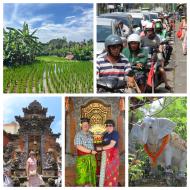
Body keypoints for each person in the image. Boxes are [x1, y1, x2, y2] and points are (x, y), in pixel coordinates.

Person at [141, 22, 172, 91]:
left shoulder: (156, 37)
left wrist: (159, 49)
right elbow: (139, 47)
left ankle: (166, 84)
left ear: (153, 30)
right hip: (145, 57)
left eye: (150, 30)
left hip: (155, 56)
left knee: (162, 69)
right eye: (148, 30)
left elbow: (160, 45)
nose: (149, 32)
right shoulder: (143, 39)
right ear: (146, 31)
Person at [96, 119, 120, 187]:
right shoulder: (105, 134)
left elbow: (111, 145)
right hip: (104, 155)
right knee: (103, 171)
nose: (108, 126)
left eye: (110, 125)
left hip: (113, 155)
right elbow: (103, 144)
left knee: (111, 172)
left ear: (113, 126)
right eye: (107, 125)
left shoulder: (115, 133)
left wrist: (100, 148)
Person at [74, 118, 97, 186]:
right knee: (82, 177)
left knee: (92, 176)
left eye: (87, 125)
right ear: (81, 126)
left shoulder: (91, 134)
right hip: (83, 159)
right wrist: (90, 151)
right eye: (84, 125)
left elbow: (93, 145)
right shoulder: (78, 135)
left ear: (89, 125)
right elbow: (78, 146)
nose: (85, 126)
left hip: (92, 158)